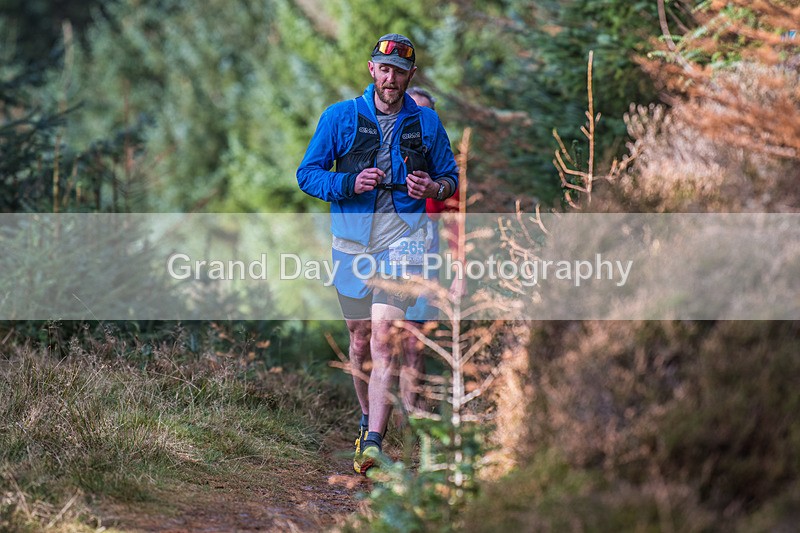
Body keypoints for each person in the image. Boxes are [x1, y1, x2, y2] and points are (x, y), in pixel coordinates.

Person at [296, 34, 459, 475]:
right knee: (359, 337)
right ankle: (368, 417)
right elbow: (307, 175)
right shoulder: (340, 117)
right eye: (384, 69)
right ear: (372, 70)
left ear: (410, 75)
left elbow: (450, 178)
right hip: (351, 245)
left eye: (399, 72)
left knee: (385, 339)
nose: (391, 78)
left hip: (402, 242)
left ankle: (373, 443)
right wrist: (348, 184)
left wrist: (434, 187)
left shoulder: (427, 123)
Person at [401, 87, 463, 414]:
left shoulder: (443, 168)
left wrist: (460, 271)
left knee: (414, 345)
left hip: (424, 262)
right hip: (381, 261)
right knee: (376, 342)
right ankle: (371, 423)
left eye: (428, 116)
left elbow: (455, 221)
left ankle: (408, 424)